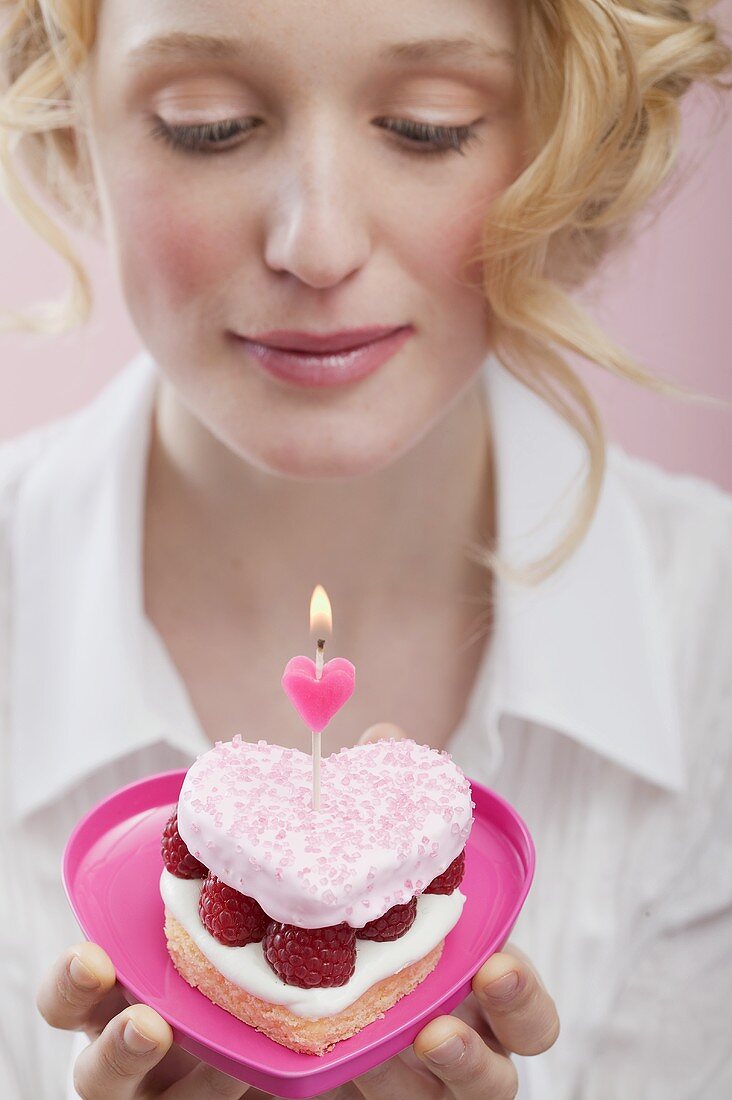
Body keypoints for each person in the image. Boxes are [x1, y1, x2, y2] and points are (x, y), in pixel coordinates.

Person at [1, 0, 731, 1097]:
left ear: (569, 137)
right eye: (209, 124)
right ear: (69, 113)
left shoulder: (709, 641)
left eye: (429, 126)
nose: (319, 243)